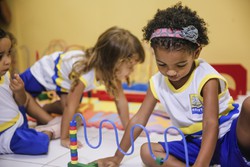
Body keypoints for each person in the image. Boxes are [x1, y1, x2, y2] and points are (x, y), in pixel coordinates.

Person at [95, 3, 250, 167]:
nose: (171, 72)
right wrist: (117, 157)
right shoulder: (156, 83)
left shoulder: (206, 79)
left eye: (180, 65)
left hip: (229, 137)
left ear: (196, 53)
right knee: (147, 151)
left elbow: (210, 124)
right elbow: (139, 119)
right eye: (162, 64)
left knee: (248, 105)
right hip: (195, 144)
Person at [19, 26, 145, 148]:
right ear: (115, 63)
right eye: (130, 67)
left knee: (72, 114)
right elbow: (70, 106)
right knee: (21, 95)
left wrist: (129, 128)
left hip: (64, 80)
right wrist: (65, 138)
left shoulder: (112, 72)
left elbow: (121, 100)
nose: (132, 70)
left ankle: (46, 108)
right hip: (43, 72)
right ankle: (46, 118)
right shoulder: (85, 74)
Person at [0, 28, 61, 155]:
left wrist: (19, 91)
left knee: (26, 96)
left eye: (9, 53)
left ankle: (48, 121)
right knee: (38, 144)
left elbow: (21, 101)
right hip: (6, 133)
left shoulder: (4, 74)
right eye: (0, 56)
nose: (8, 61)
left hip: (19, 120)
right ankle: (48, 131)